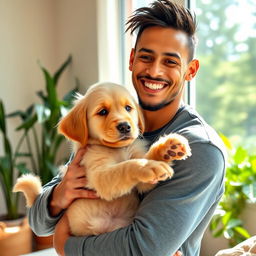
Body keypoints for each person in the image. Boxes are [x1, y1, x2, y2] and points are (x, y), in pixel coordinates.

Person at [28, 1, 226, 255]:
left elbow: (141, 248)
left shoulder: (200, 148)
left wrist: (66, 245)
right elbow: (38, 223)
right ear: (132, 59)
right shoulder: (103, 126)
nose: (154, 71)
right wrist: (59, 195)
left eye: (170, 62)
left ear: (191, 70)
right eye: (146, 57)